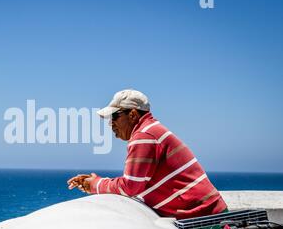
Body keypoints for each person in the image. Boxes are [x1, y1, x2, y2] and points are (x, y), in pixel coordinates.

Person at [67, 89, 228, 219]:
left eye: (114, 116)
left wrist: (95, 184)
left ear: (132, 115)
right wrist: (97, 182)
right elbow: (134, 183)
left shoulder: (144, 136)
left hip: (204, 220)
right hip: (208, 214)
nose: (111, 123)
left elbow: (130, 187)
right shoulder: (150, 131)